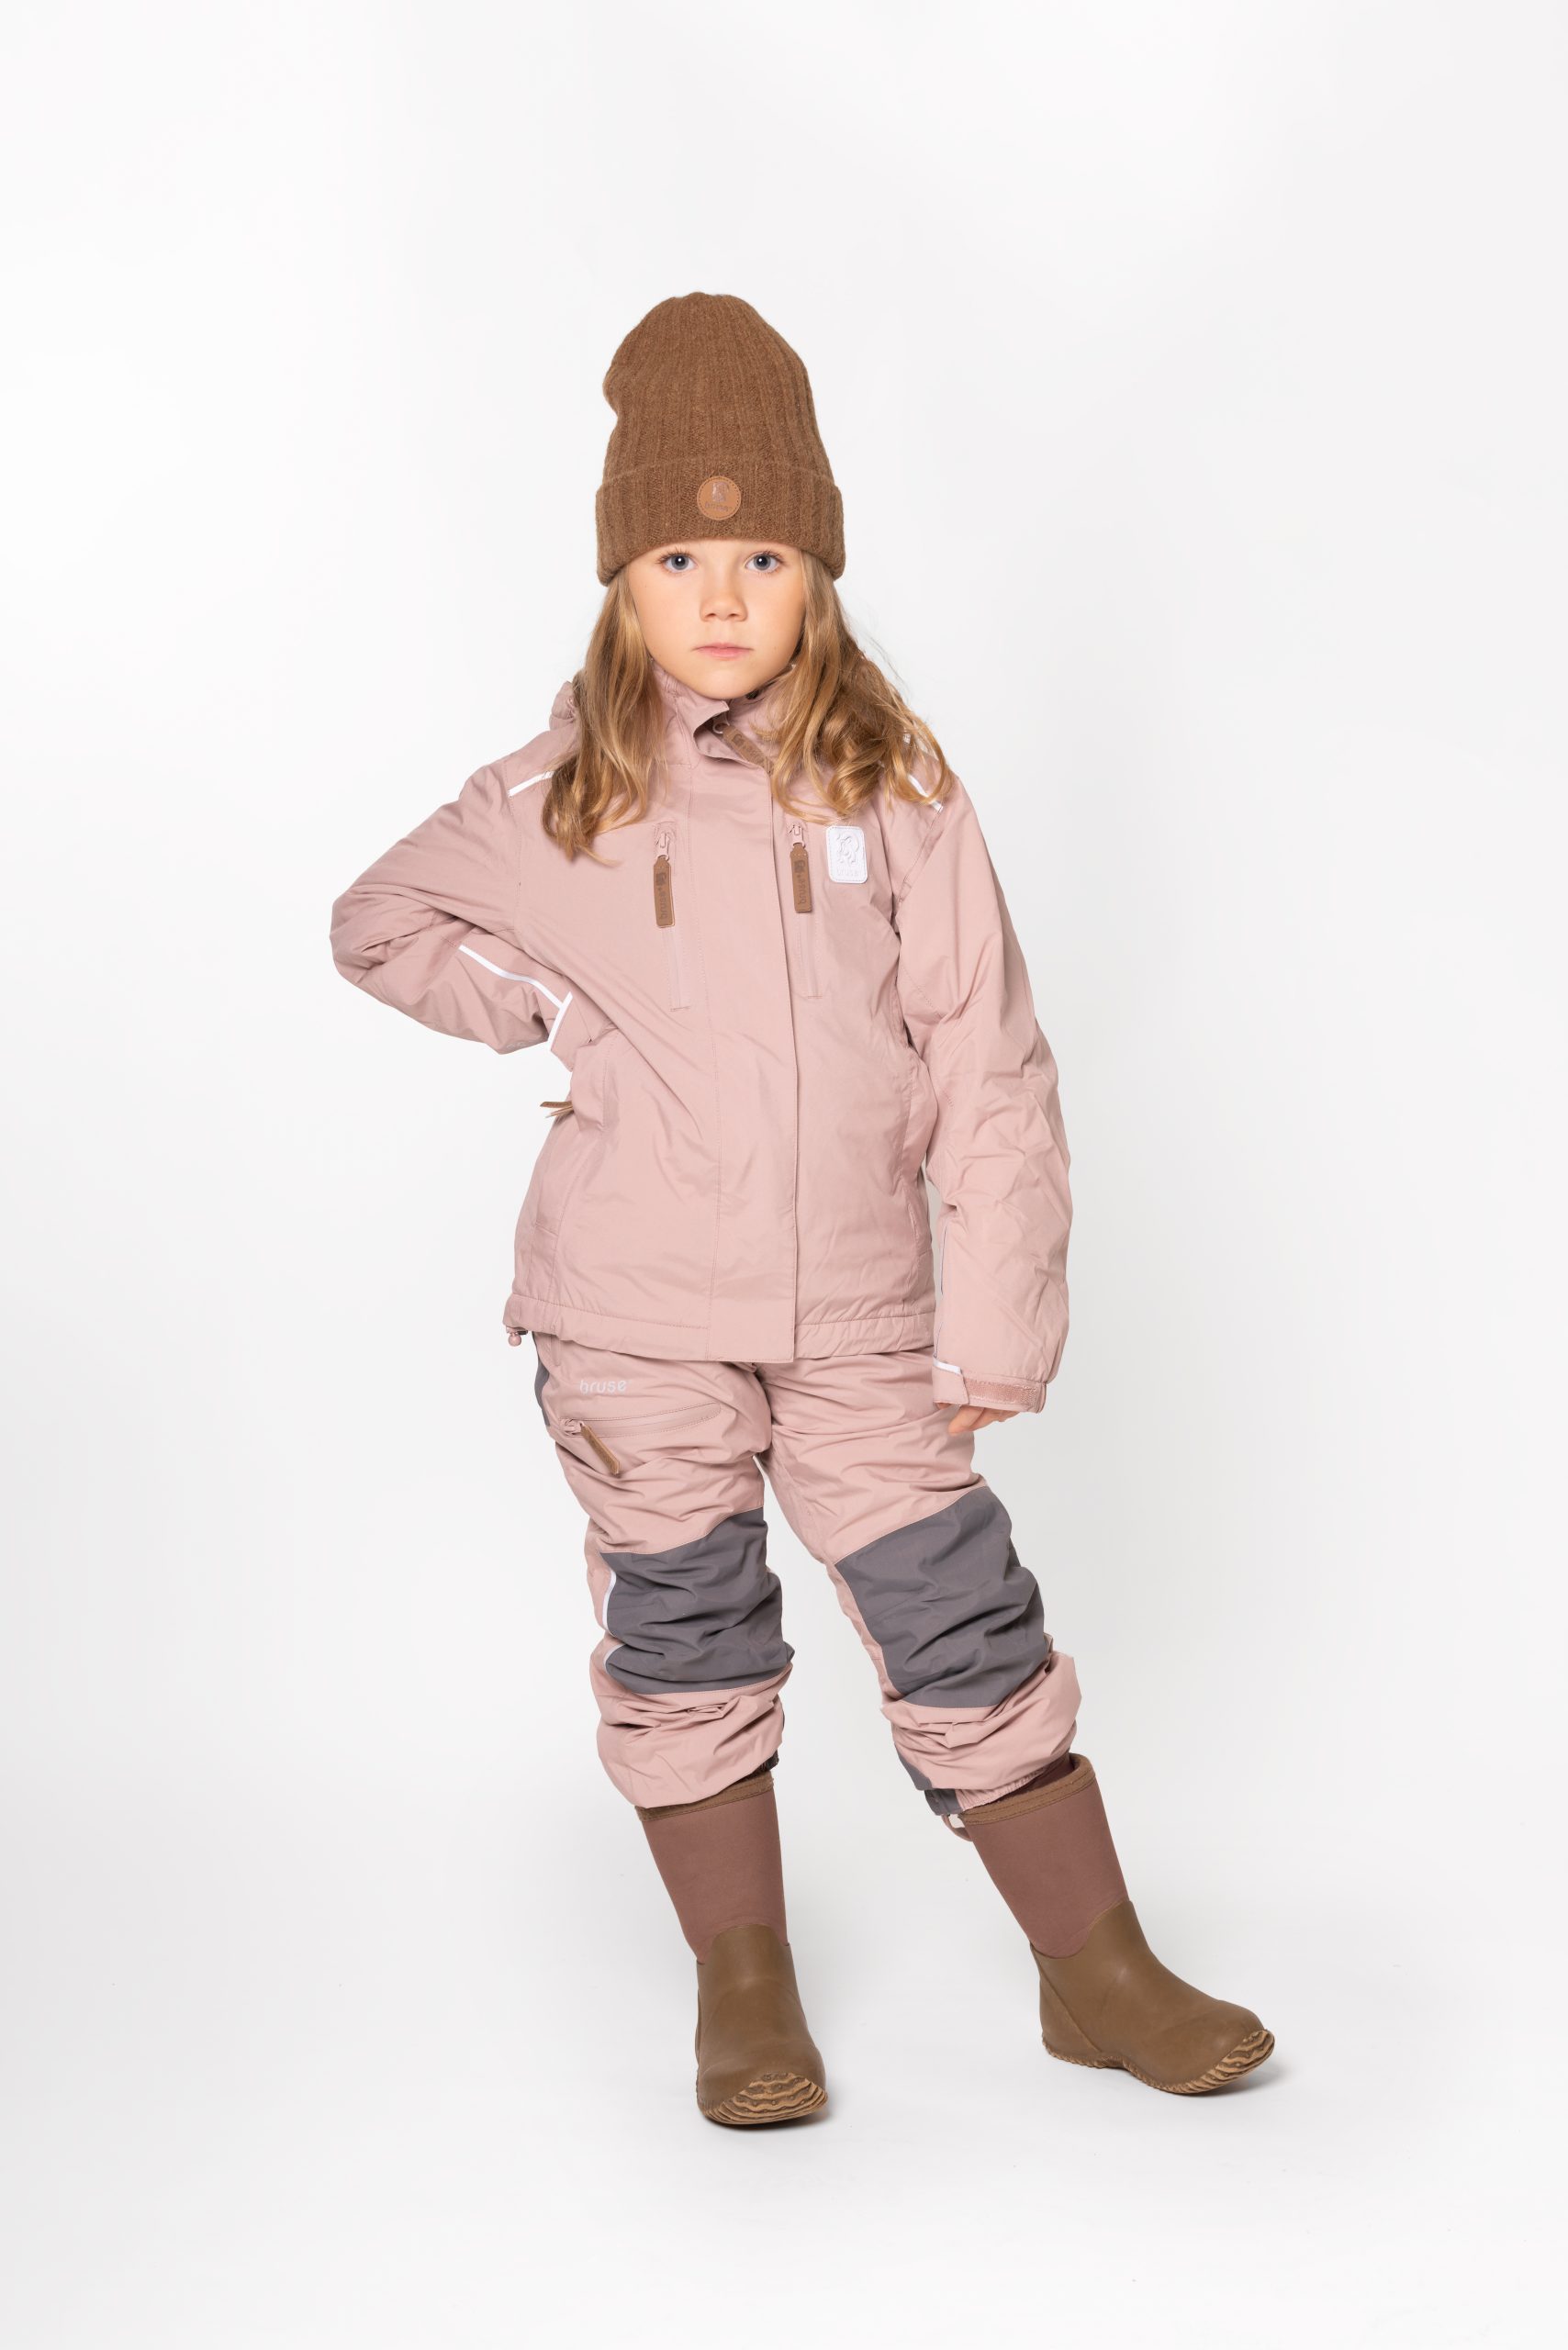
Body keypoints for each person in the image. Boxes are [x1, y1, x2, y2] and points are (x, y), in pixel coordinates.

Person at [329, 292, 1273, 2126]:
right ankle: (743, 1994)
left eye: (762, 554)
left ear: (815, 573)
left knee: (961, 1616)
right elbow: (377, 922)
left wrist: (996, 1319)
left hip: (861, 1318)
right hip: (630, 1320)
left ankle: (1097, 1973)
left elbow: (989, 1057)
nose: (720, 593)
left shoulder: (893, 782)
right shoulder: (547, 799)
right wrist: (540, 1004)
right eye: (678, 558)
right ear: (620, 577)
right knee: (684, 1630)